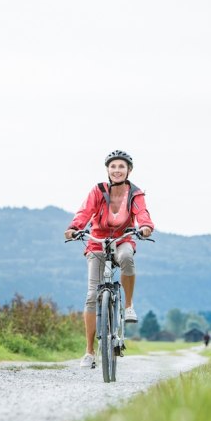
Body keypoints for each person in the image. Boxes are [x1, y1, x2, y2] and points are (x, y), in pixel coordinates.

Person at [64, 150, 154, 369]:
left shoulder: (135, 193)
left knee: (126, 258)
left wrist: (145, 227)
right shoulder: (98, 191)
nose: (116, 170)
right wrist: (75, 228)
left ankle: (129, 305)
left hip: (123, 238)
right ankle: (89, 351)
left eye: (121, 167)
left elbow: (142, 213)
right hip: (97, 241)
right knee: (92, 295)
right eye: (112, 166)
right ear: (107, 170)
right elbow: (84, 212)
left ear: (128, 170)